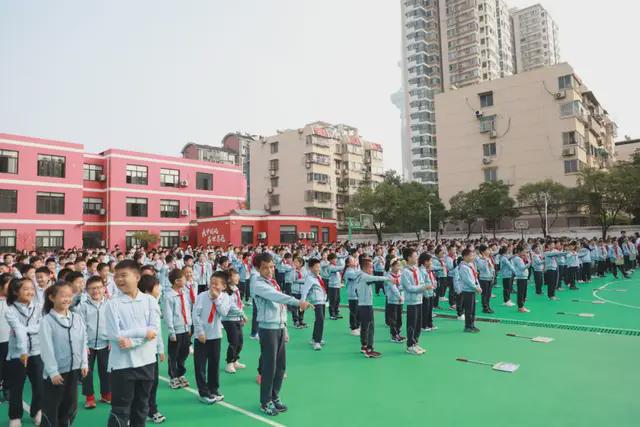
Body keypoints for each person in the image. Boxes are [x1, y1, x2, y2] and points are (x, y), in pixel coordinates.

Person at [252, 252, 311, 416]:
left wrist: (284, 327)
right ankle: (265, 402)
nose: (269, 270)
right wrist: (298, 302)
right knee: (269, 367)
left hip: (278, 327)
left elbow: (280, 307)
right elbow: (278, 298)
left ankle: (274, 397)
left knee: (280, 366)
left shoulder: (272, 282)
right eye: (265, 268)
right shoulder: (258, 284)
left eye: (271, 267)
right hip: (267, 329)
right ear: (258, 268)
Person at [105, 260, 160, 427]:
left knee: (141, 407)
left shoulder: (150, 301)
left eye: (123, 275)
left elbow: (155, 329)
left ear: (137, 277)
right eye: (116, 276)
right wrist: (143, 333)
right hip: (123, 365)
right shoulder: (113, 304)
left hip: (147, 362)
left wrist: (133, 341)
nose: (119, 280)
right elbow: (115, 334)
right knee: (120, 410)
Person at [39, 282, 89, 427]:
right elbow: (46, 349)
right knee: (52, 409)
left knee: (70, 408)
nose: (67, 299)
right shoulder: (46, 321)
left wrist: (84, 363)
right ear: (52, 298)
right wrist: (53, 371)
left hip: (73, 370)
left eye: (69, 295)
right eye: (63, 296)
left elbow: (83, 340)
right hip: (56, 374)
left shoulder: (76, 318)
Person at [192, 271, 237, 404]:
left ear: (223, 286)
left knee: (214, 364)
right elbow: (196, 314)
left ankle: (213, 389)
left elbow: (223, 312)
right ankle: (203, 392)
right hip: (201, 336)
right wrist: (199, 332)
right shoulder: (201, 296)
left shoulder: (226, 297)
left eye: (216, 284)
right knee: (200, 365)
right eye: (211, 283)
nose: (213, 286)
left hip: (215, 335)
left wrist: (216, 299)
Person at [5, 277, 44, 427]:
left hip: (36, 352)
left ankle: (37, 411)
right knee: (17, 386)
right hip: (17, 354)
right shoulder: (10, 310)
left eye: (31, 288)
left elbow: (41, 326)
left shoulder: (38, 307)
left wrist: (25, 329)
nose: (30, 292)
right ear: (15, 291)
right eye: (25, 289)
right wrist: (23, 352)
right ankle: (15, 417)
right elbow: (19, 332)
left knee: (39, 384)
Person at [77, 276, 111, 409]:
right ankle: (89, 397)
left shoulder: (110, 304)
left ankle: (106, 394)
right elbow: (81, 327)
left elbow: (114, 324)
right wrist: (84, 344)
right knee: (87, 372)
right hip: (88, 345)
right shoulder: (83, 306)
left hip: (105, 344)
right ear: (87, 290)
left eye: (98, 288)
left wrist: (111, 340)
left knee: (106, 370)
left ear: (104, 289)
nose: (96, 291)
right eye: (92, 288)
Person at [137, 275, 166, 424]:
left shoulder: (154, 302)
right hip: (139, 351)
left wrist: (160, 349)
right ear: (149, 288)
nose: (159, 289)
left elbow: (158, 330)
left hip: (152, 351)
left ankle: (151, 409)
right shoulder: (141, 304)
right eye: (157, 286)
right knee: (140, 384)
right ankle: (136, 412)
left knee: (152, 382)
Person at [354, 258, 392, 358]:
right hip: (366, 306)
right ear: (365, 268)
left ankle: (364, 346)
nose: (372, 269)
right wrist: (389, 278)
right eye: (371, 267)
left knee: (364, 327)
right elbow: (377, 278)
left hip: (361, 305)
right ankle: (369, 349)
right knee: (370, 327)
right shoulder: (364, 276)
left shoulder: (359, 275)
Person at [162, 269, 192, 390]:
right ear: (177, 281)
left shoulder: (184, 292)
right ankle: (173, 376)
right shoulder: (169, 296)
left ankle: (181, 374)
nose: (186, 279)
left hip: (186, 328)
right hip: (176, 331)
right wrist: (171, 331)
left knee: (184, 353)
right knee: (173, 354)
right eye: (184, 278)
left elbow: (188, 309)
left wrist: (189, 325)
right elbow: (168, 315)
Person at [400, 248, 428, 355]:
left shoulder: (416, 269)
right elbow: (409, 288)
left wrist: (423, 287)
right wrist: (422, 288)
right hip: (411, 301)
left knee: (418, 323)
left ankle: (416, 342)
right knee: (411, 323)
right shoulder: (405, 272)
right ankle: (410, 345)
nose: (417, 258)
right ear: (408, 258)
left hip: (419, 300)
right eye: (415, 256)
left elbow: (421, 282)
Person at [221, 269, 248, 373]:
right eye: (235, 276)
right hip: (229, 319)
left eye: (237, 276)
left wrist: (241, 316)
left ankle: (235, 360)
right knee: (234, 341)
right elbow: (232, 306)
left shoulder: (235, 288)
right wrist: (242, 314)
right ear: (229, 278)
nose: (238, 278)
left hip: (236, 318)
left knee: (240, 341)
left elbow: (239, 303)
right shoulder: (227, 291)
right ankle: (229, 363)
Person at [301, 259, 327, 351]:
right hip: (316, 301)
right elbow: (305, 291)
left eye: (319, 267)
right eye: (316, 267)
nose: (318, 269)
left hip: (322, 300)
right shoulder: (310, 278)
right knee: (320, 320)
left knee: (320, 319)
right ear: (311, 268)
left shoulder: (318, 276)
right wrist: (302, 303)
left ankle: (314, 338)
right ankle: (317, 342)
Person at [458, 249, 482, 333]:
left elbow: (475, 277)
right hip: (467, 290)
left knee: (473, 309)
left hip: (472, 290)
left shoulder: (471, 265)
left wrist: (478, 286)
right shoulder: (463, 267)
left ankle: (472, 325)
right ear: (465, 256)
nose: (473, 257)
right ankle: (468, 326)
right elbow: (467, 280)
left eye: (473, 255)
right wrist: (476, 287)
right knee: (469, 309)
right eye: (471, 256)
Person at [384, 260, 405, 343]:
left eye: (399, 266)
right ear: (392, 266)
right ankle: (394, 335)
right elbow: (393, 287)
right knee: (393, 318)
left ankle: (398, 334)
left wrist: (401, 293)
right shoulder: (388, 276)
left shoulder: (401, 274)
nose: (399, 267)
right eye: (397, 266)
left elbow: (403, 284)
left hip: (400, 299)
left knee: (399, 318)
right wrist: (399, 295)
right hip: (392, 299)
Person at [419, 253, 437, 332]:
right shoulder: (422, 271)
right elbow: (422, 283)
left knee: (430, 309)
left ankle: (429, 323)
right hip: (426, 293)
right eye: (430, 261)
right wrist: (425, 293)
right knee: (425, 310)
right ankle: (423, 325)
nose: (431, 263)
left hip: (430, 292)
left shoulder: (428, 270)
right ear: (425, 262)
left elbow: (431, 280)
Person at [475, 245, 495, 314]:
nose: (489, 251)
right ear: (483, 252)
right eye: (487, 250)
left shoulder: (488, 258)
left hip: (490, 277)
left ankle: (488, 306)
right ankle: (485, 307)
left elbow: (492, 268)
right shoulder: (479, 259)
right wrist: (484, 260)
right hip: (484, 278)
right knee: (485, 294)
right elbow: (482, 267)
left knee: (488, 294)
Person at [0, 273, 10, 403]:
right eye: (9, 285)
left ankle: (7, 389)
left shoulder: (14, 301)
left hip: (10, 339)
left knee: (9, 366)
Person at [512, 246, 531, 313]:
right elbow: (522, 268)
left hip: (524, 277)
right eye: (524, 252)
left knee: (523, 293)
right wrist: (529, 264)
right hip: (521, 277)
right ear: (519, 252)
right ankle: (520, 307)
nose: (525, 253)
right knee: (521, 293)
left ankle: (522, 306)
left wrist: (527, 259)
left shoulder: (521, 258)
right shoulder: (517, 259)